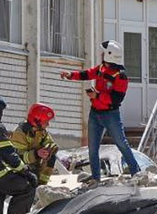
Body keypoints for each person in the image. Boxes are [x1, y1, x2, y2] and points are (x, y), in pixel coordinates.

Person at [60, 40, 141, 181]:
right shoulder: (102, 68)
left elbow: (116, 100)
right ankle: (96, 178)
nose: (101, 55)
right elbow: (87, 74)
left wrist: (97, 96)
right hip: (95, 113)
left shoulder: (120, 76)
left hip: (111, 115)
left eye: (104, 52)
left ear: (109, 54)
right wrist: (70, 75)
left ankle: (137, 173)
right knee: (92, 148)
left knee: (121, 144)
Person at [10, 103, 59, 186]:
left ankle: (42, 185)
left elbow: (50, 143)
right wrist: (36, 154)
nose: (48, 124)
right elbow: (17, 158)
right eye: (46, 122)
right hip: (20, 169)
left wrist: (49, 150)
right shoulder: (20, 133)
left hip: (34, 165)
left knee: (52, 157)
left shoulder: (41, 131)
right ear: (37, 121)